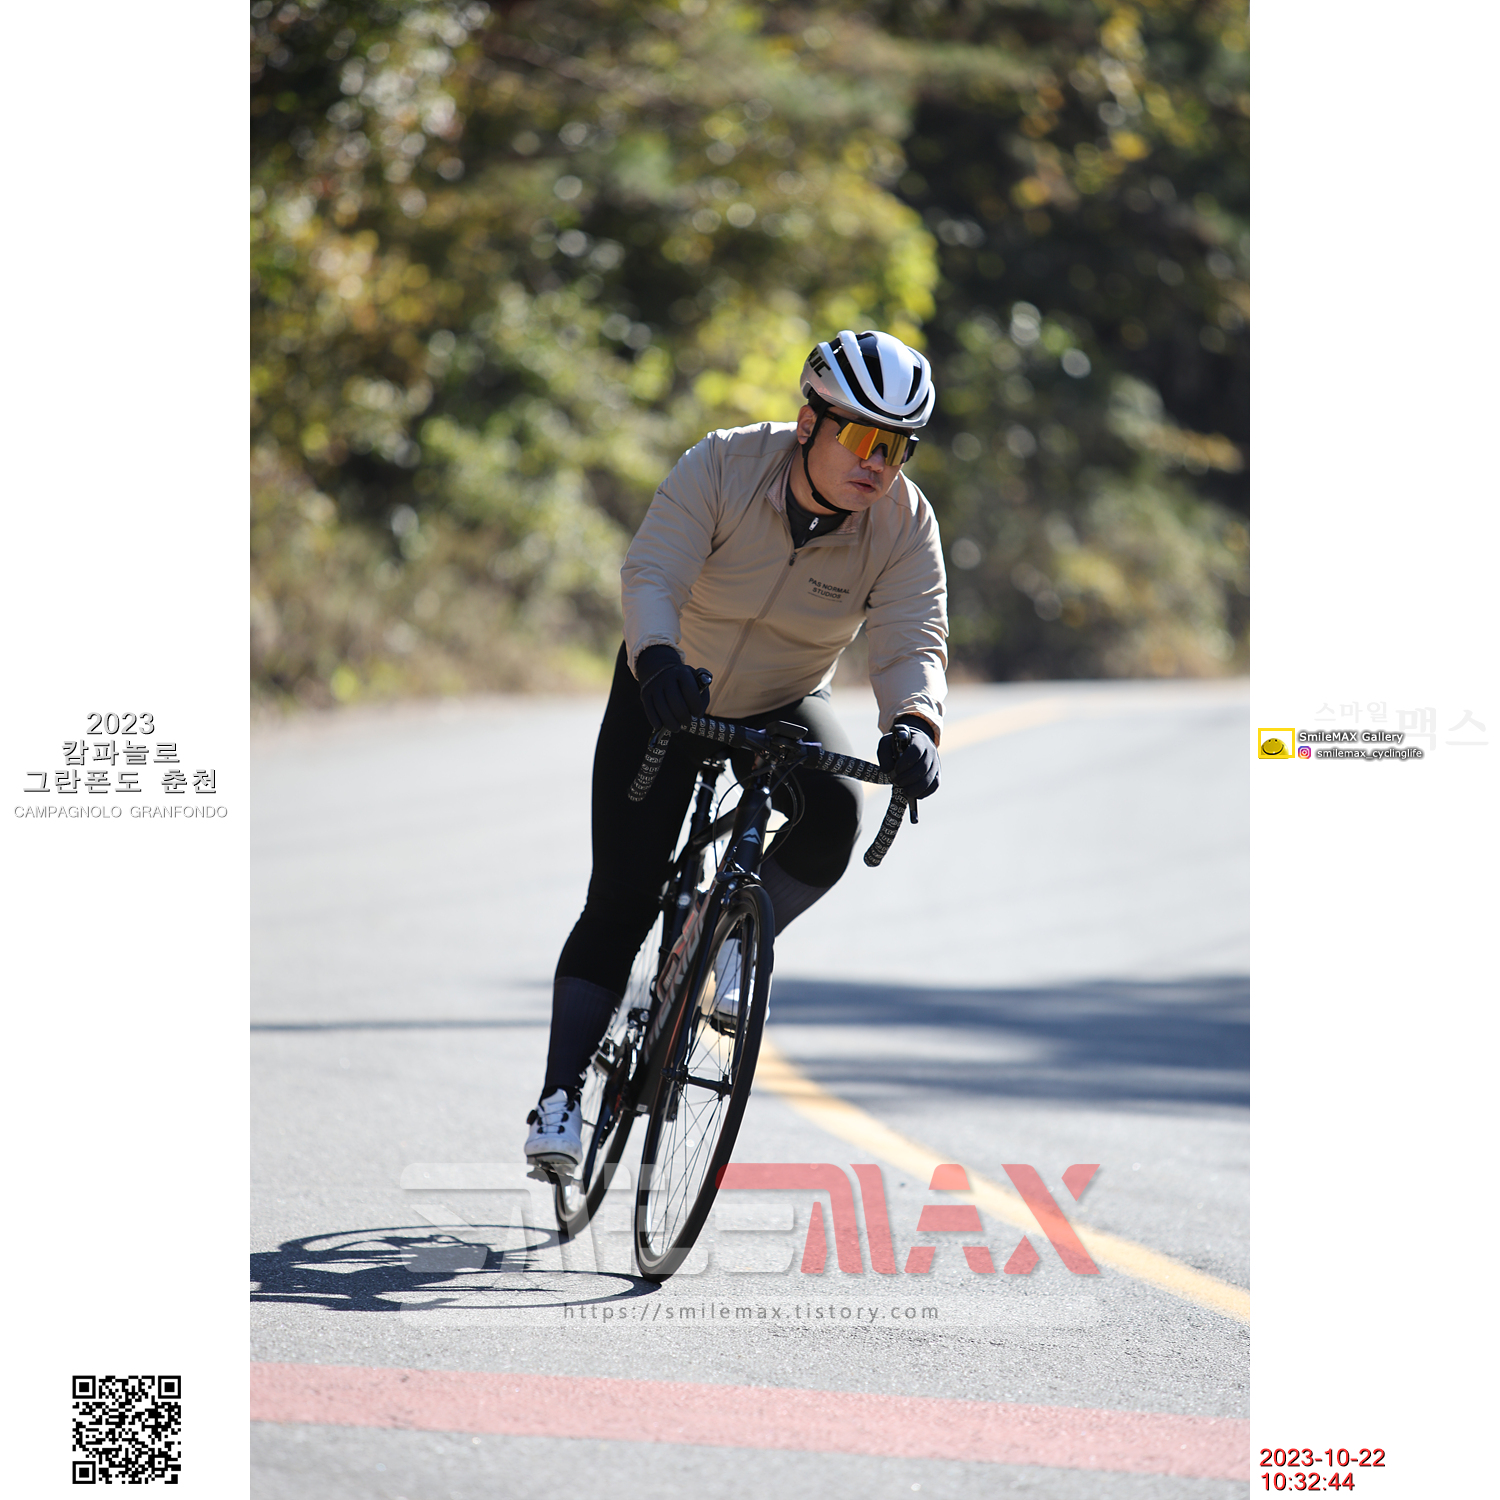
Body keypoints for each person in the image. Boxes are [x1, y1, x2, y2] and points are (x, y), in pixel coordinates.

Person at [525, 329, 948, 1169]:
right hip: (668, 685)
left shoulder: (904, 523)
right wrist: (656, 659)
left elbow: (913, 637)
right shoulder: (722, 464)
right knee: (623, 896)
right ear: (809, 423)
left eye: (897, 447)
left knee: (834, 816)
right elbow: (654, 572)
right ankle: (560, 1100)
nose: (878, 463)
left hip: (787, 694)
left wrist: (915, 722)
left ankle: (719, 951)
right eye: (863, 437)